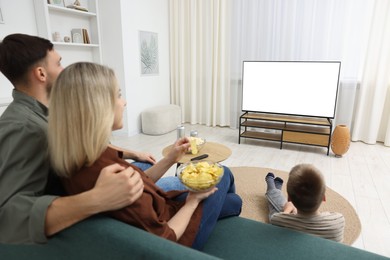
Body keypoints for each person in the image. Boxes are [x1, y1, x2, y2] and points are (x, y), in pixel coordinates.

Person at [48, 62, 242, 249]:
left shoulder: (87, 155)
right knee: (224, 175)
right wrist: (192, 202)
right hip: (179, 238)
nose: (124, 102)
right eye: (118, 95)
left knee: (232, 201)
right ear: (97, 107)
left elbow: (138, 183)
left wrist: (170, 159)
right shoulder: (106, 173)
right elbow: (166, 240)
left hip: (164, 208)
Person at [0, 34, 147, 244]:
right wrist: (96, 199)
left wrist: (132, 153)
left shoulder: (48, 113)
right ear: (41, 73)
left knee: (145, 167)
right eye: (59, 63)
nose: (64, 69)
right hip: (89, 214)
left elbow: (83, 142)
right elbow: (8, 217)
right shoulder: (24, 128)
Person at [264, 163, 345, 242]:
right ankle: (274, 188)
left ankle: (273, 188)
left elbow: (275, 218)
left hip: (289, 216)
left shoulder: (278, 220)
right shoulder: (339, 220)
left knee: (279, 208)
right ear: (323, 197)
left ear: (289, 198)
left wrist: (287, 210)